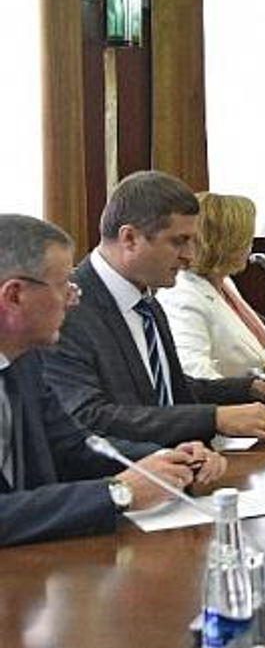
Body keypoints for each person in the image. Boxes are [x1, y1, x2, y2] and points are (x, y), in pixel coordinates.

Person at [0, 214, 225, 546]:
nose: (73, 299)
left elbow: (75, 447)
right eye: (64, 285)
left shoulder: (25, 361)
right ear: (14, 296)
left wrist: (167, 461)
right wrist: (118, 493)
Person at [45, 172, 265, 448]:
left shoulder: (146, 302)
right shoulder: (66, 309)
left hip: (186, 461)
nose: (189, 255)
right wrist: (213, 418)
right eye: (178, 241)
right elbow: (88, 417)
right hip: (130, 470)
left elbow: (170, 388)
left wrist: (255, 388)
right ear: (129, 238)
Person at [157, 192, 265, 380]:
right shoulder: (182, 297)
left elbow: (241, 355)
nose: (250, 245)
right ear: (227, 243)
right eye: (247, 238)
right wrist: (264, 385)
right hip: (232, 399)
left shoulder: (223, 282)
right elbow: (195, 376)